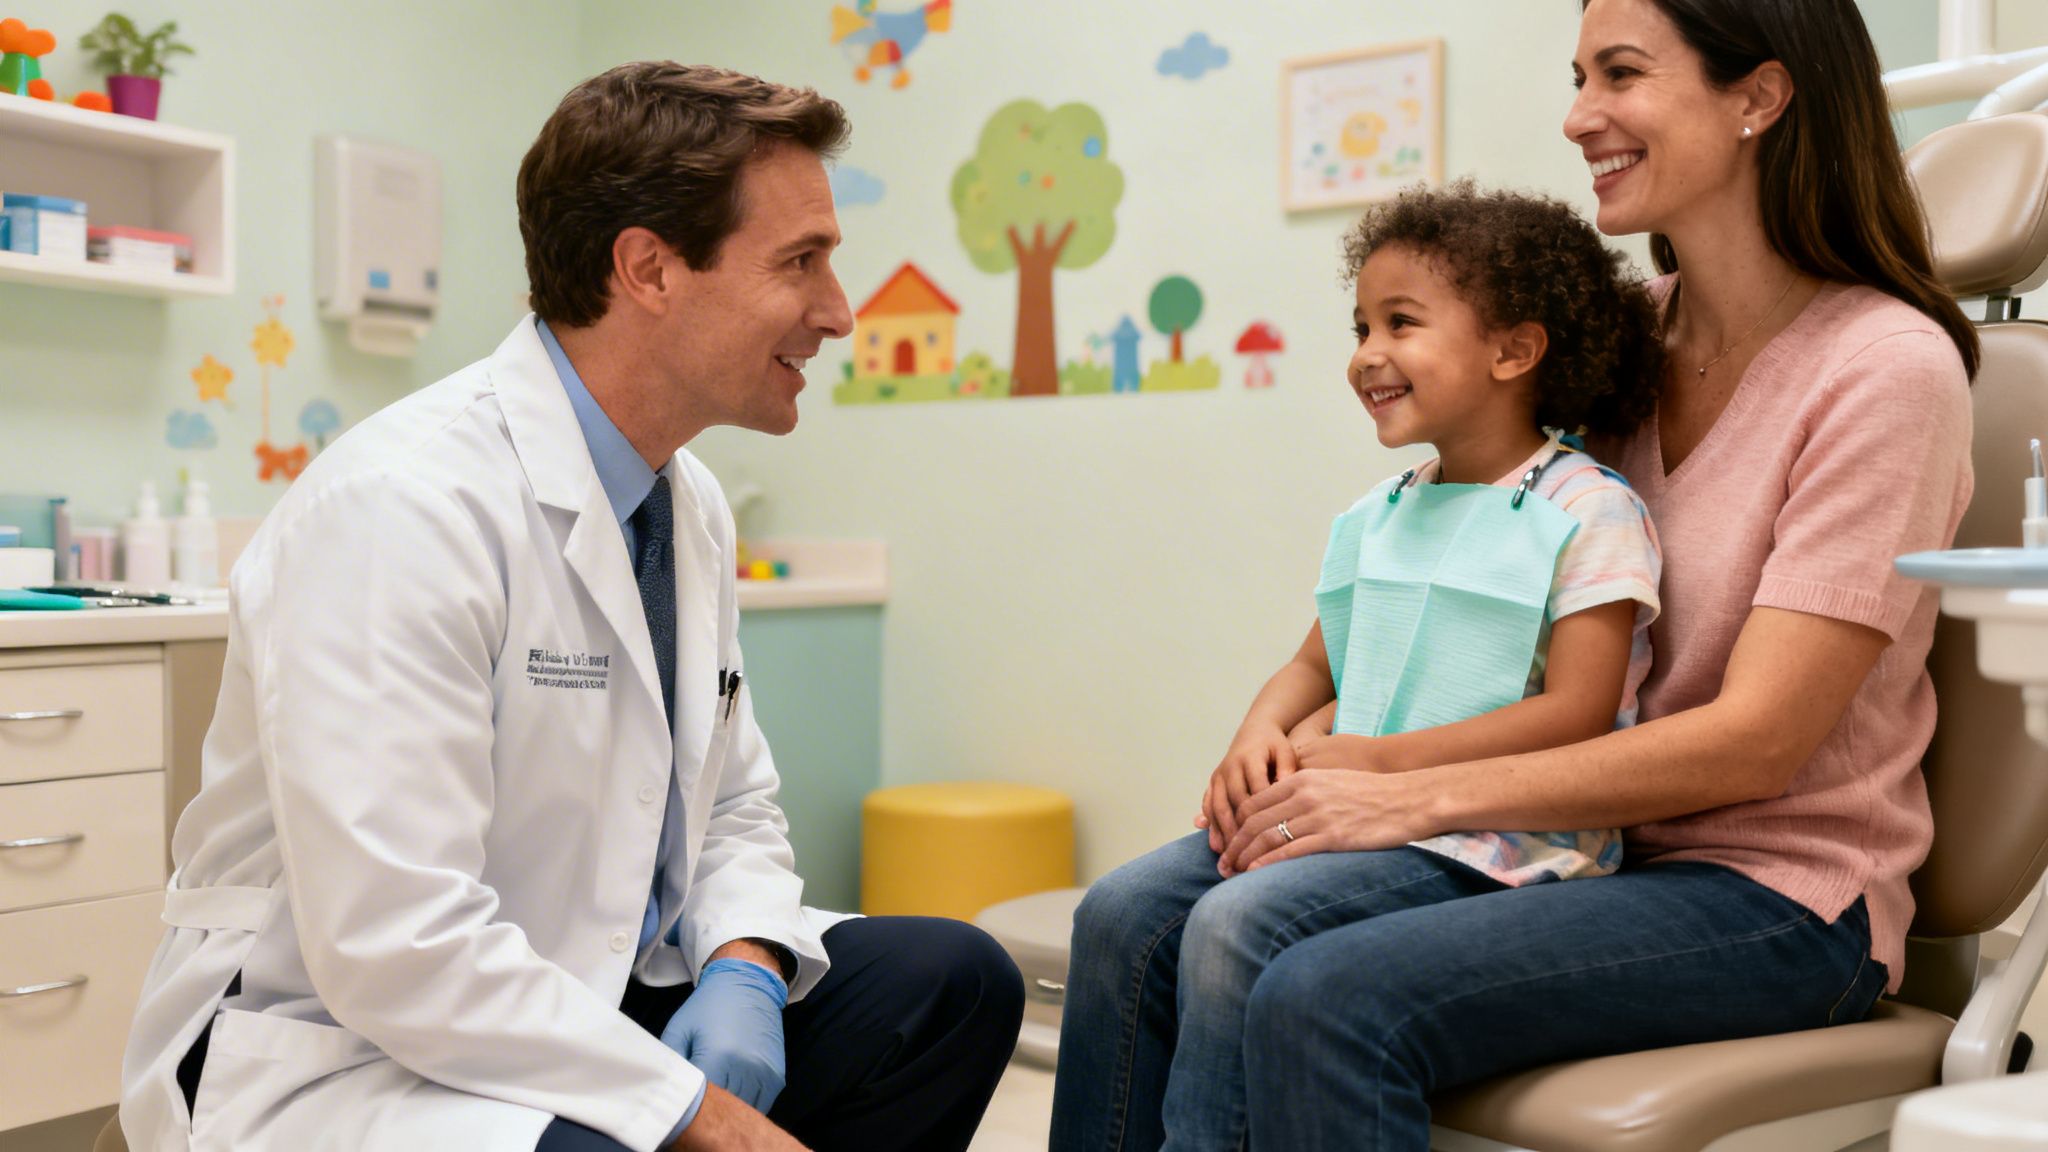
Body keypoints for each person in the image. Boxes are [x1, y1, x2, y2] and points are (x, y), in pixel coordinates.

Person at [1055, 0, 1979, 1146]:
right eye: (1578, 75)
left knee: (1317, 990)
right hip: (1568, 848)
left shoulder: (1884, 369)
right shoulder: (1616, 343)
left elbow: (1758, 740)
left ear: (1759, 96)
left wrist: (1403, 792)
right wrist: (1314, 741)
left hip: (1771, 896)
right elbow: (1481, 589)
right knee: (1129, 918)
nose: (1577, 114)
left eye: (1620, 74)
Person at [118, 62, 1023, 1152]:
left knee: (951, 982)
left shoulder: (679, 499)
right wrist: (693, 1111)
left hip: (577, 990)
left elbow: (732, 806)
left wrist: (742, 965)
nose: (836, 311)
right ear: (647, 268)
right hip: (346, 1045)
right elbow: (395, 944)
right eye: (801, 261)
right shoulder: (400, 510)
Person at [1051, 181, 1665, 1151]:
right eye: (1360, 324)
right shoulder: (1377, 513)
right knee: (1123, 912)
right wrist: (1257, 734)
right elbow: (1308, 667)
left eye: (1401, 323)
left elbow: (1578, 713)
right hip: (1349, 819)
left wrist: (1382, 765)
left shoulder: (1588, 510)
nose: (1366, 353)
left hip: (1497, 850)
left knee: (1232, 924)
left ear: (1513, 350)